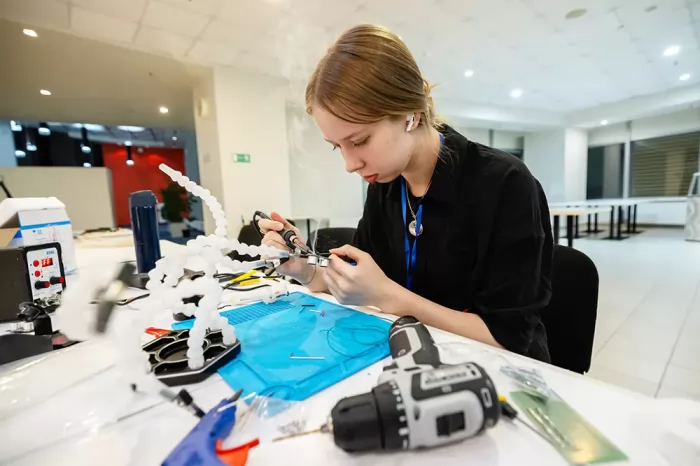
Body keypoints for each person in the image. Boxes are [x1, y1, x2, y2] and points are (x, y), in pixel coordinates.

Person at [259, 24, 553, 362]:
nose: (350, 164)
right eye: (337, 146)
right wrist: (303, 267)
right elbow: (355, 284)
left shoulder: (505, 183)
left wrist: (387, 295)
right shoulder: (385, 185)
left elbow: (507, 341)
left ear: (410, 114)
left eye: (359, 141)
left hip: (500, 370)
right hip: (415, 355)